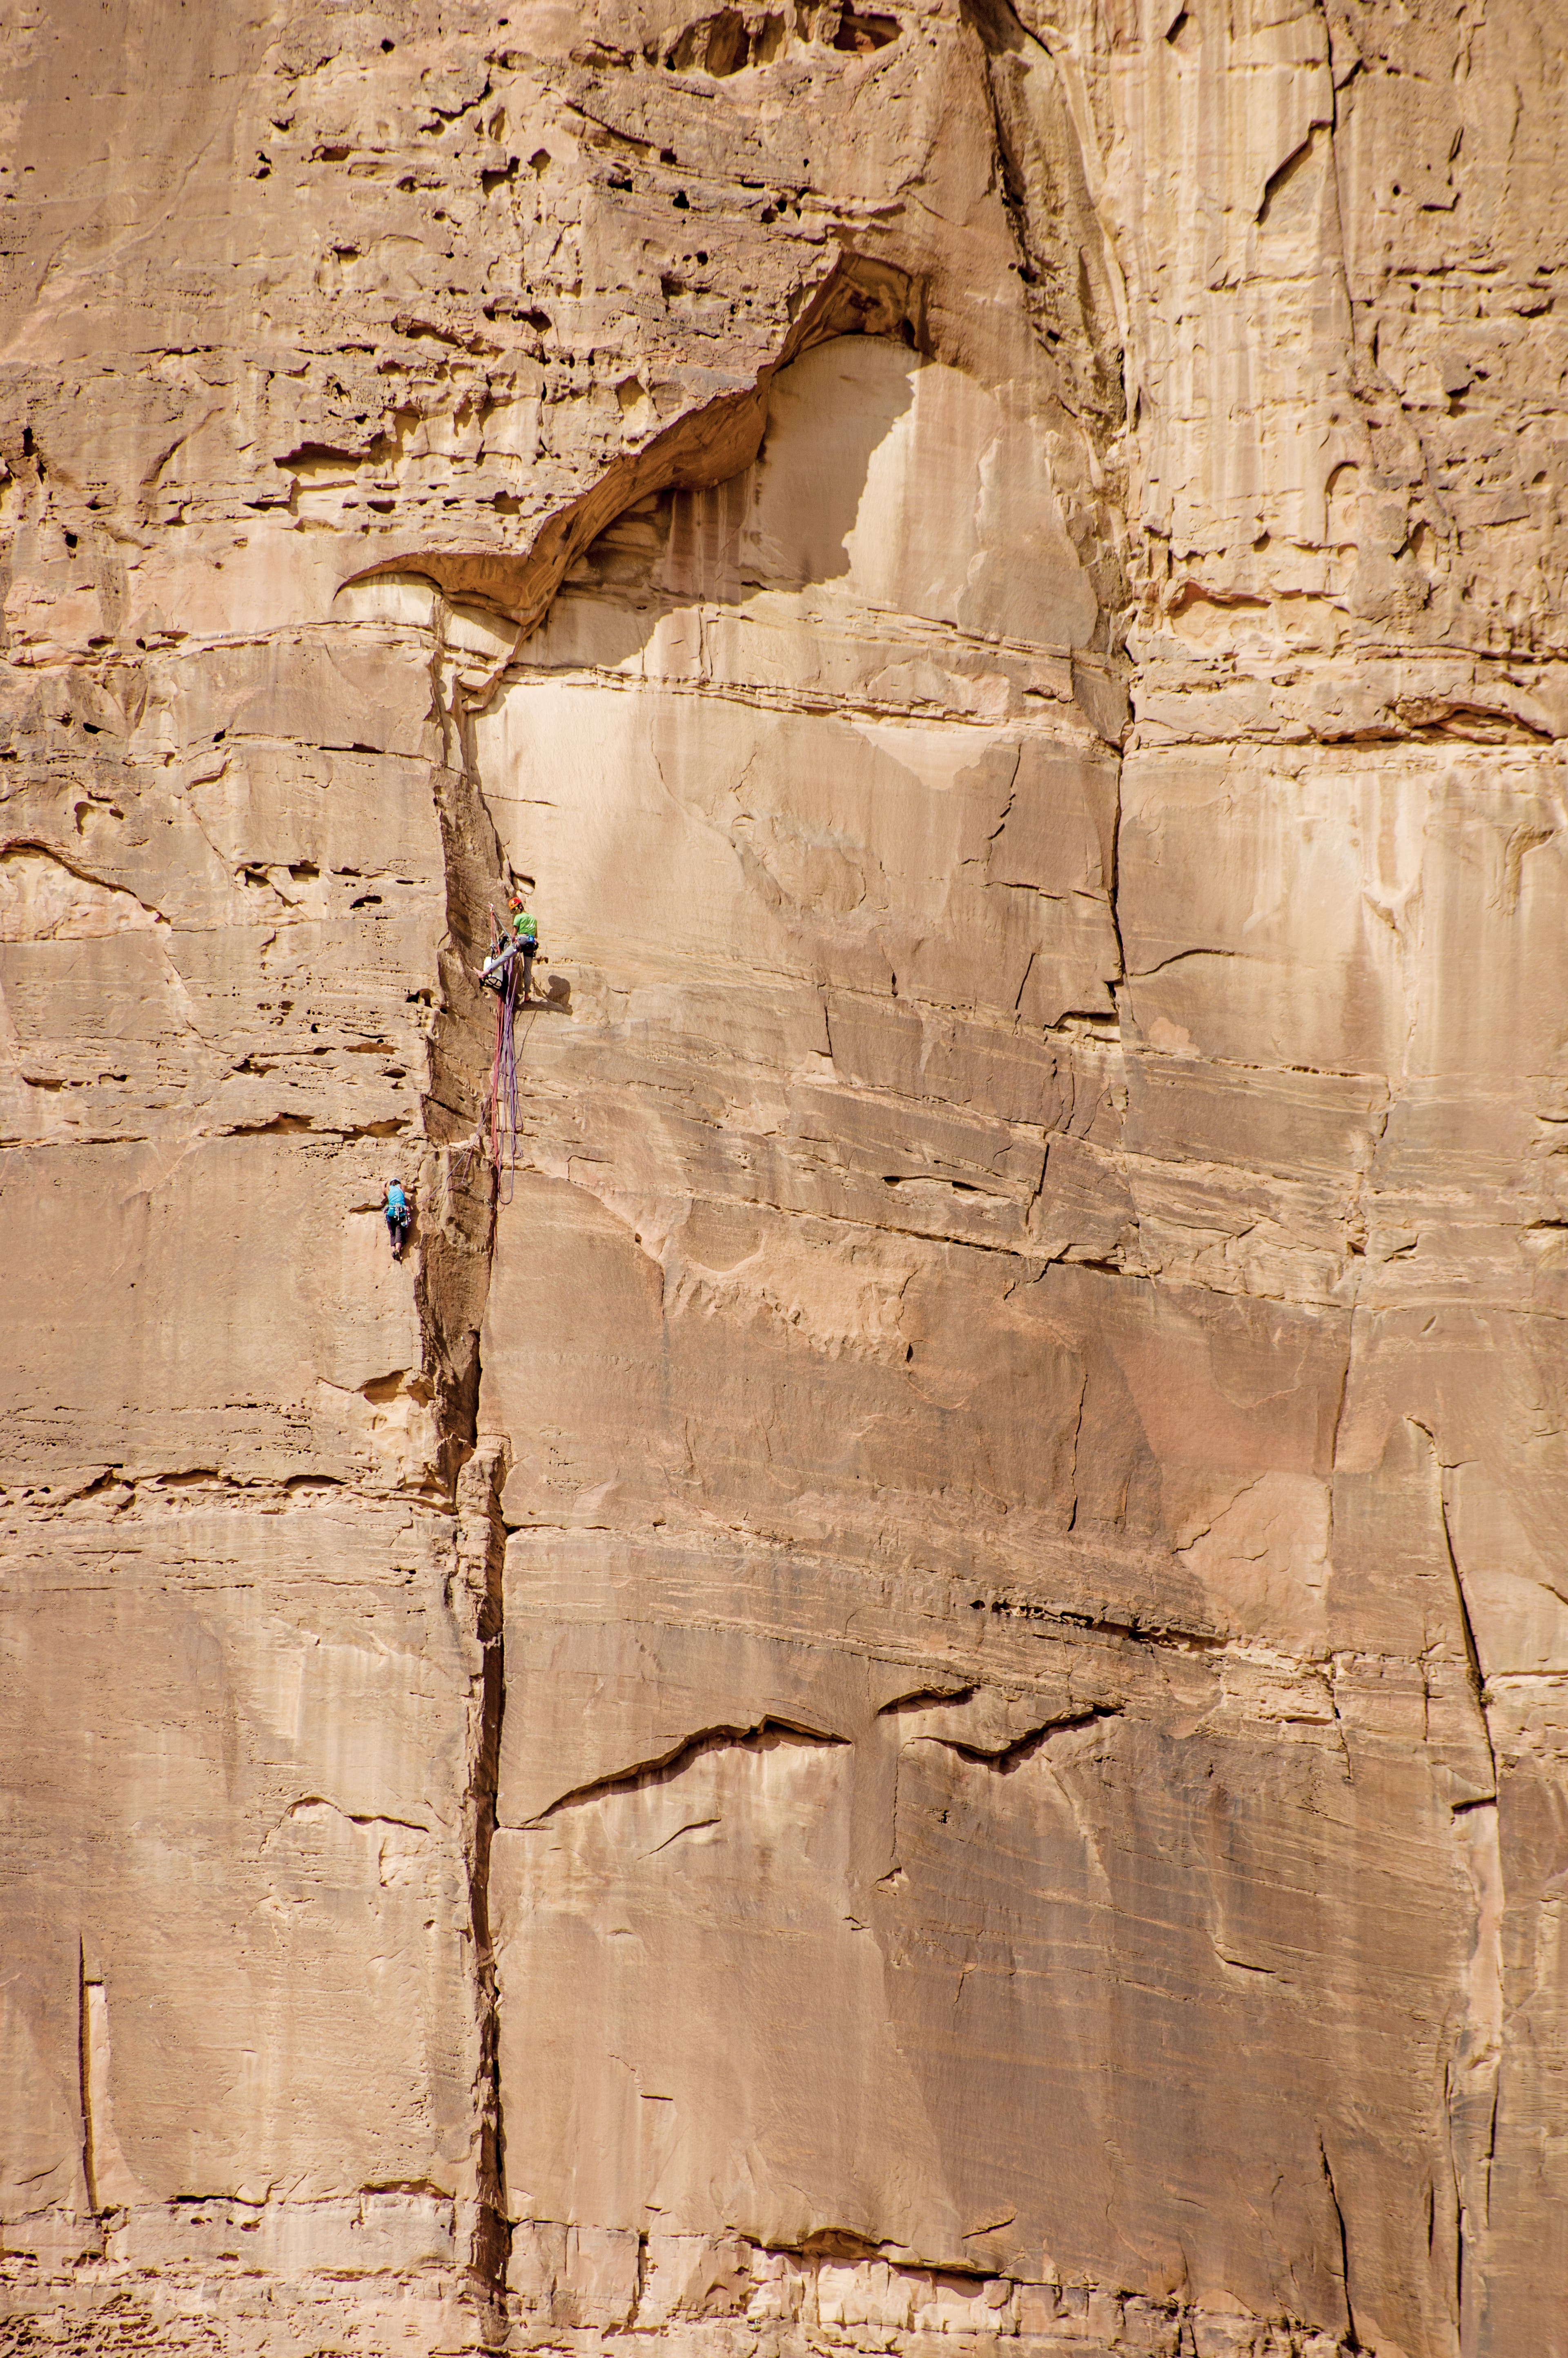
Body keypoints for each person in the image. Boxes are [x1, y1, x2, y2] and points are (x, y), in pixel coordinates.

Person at [384, 1176, 411, 1259]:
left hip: (391, 1212)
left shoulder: (388, 1189)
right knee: (399, 1231)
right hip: (401, 1212)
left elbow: (383, 1190)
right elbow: (408, 1188)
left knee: (393, 1233)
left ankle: (393, 1251)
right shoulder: (402, 1187)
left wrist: (383, 1184)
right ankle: (398, 1251)